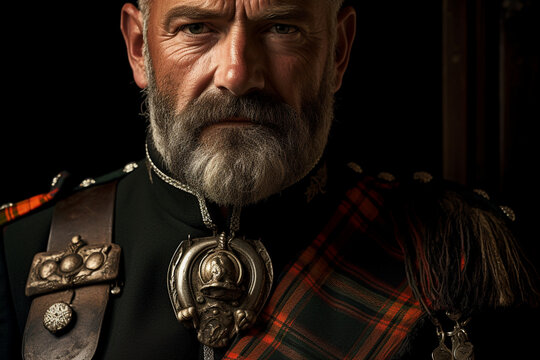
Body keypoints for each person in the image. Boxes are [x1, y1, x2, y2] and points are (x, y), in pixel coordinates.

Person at [1, 1, 538, 359]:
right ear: (140, 48)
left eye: (281, 28)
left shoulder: (458, 254)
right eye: (196, 28)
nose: (237, 74)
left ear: (338, 51)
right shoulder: (19, 252)